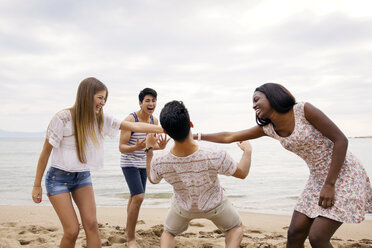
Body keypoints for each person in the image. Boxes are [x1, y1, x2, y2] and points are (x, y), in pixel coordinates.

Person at [196, 83, 372, 248]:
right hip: (318, 177)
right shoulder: (269, 129)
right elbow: (229, 136)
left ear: (272, 96)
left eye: (257, 99)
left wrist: (330, 184)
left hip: (343, 172)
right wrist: (195, 136)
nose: (253, 105)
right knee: (294, 233)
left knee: (318, 237)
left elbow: (340, 140)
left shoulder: (303, 110)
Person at [32, 77, 163, 248]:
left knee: (92, 225)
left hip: (82, 178)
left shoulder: (101, 118)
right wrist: (37, 185)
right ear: (87, 95)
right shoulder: (63, 118)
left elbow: (134, 127)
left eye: (104, 99)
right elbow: (45, 153)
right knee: (72, 231)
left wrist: (165, 128)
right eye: (100, 98)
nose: (103, 102)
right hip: (57, 179)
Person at [145, 100, 252, 248]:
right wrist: (247, 151)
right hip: (215, 205)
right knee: (235, 227)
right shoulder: (214, 154)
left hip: (183, 208)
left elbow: (152, 179)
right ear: (191, 124)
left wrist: (149, 150)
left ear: (165, 132)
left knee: (168, 232)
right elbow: (242, 173)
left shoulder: (160, 160)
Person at [119, 88, 169, 248]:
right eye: (147, 100)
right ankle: (130, 239)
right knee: (139, 197)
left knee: (134, 197)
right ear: (140, 103)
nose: (151, 103)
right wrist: (135, 147)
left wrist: (159, 147)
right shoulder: (130, 120)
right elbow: (121, 147)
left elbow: (150, 147)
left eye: (153, 100)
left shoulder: (154, 122)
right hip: (129, 163)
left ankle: (128, 230)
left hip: (143, 163)